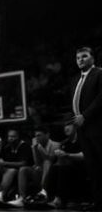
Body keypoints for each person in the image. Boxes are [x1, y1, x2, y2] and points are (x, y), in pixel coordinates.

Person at [72, 46, 102, 211]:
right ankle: (98, 202)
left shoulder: (99, 73)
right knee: (92, 167)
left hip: (97, 127)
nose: (80, 60)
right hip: (82, 129)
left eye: (84, 56)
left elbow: (100, 98)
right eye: (78, 58)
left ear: (92, 58)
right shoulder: (75, 79)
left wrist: (86, 116)